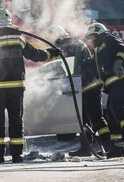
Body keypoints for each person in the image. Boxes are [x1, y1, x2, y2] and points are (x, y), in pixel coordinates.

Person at [0, 8, 61, 164]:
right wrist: (52, 52)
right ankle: (16, 156)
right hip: (17, 87)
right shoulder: (19, 37)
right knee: (16, 120)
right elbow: (35, 55)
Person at [45, 25, 110, 157]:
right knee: (83, 120)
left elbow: (65, 68)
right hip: (81, 86)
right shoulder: (70, 45)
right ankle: (86, 148)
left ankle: (110, 147)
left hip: (89, 86)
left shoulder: (69, 46)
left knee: (96, 118)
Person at [86, 22, 124, 158]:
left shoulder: (109, 39)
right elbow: (96, 66)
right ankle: (116, 150)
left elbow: (123, 48)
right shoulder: (97, 50)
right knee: (111, 116)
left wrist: (118, 62)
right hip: (112, 82)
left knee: (117, 105)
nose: (91, 39)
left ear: (98, 33)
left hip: (122, 78)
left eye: (92, 36)